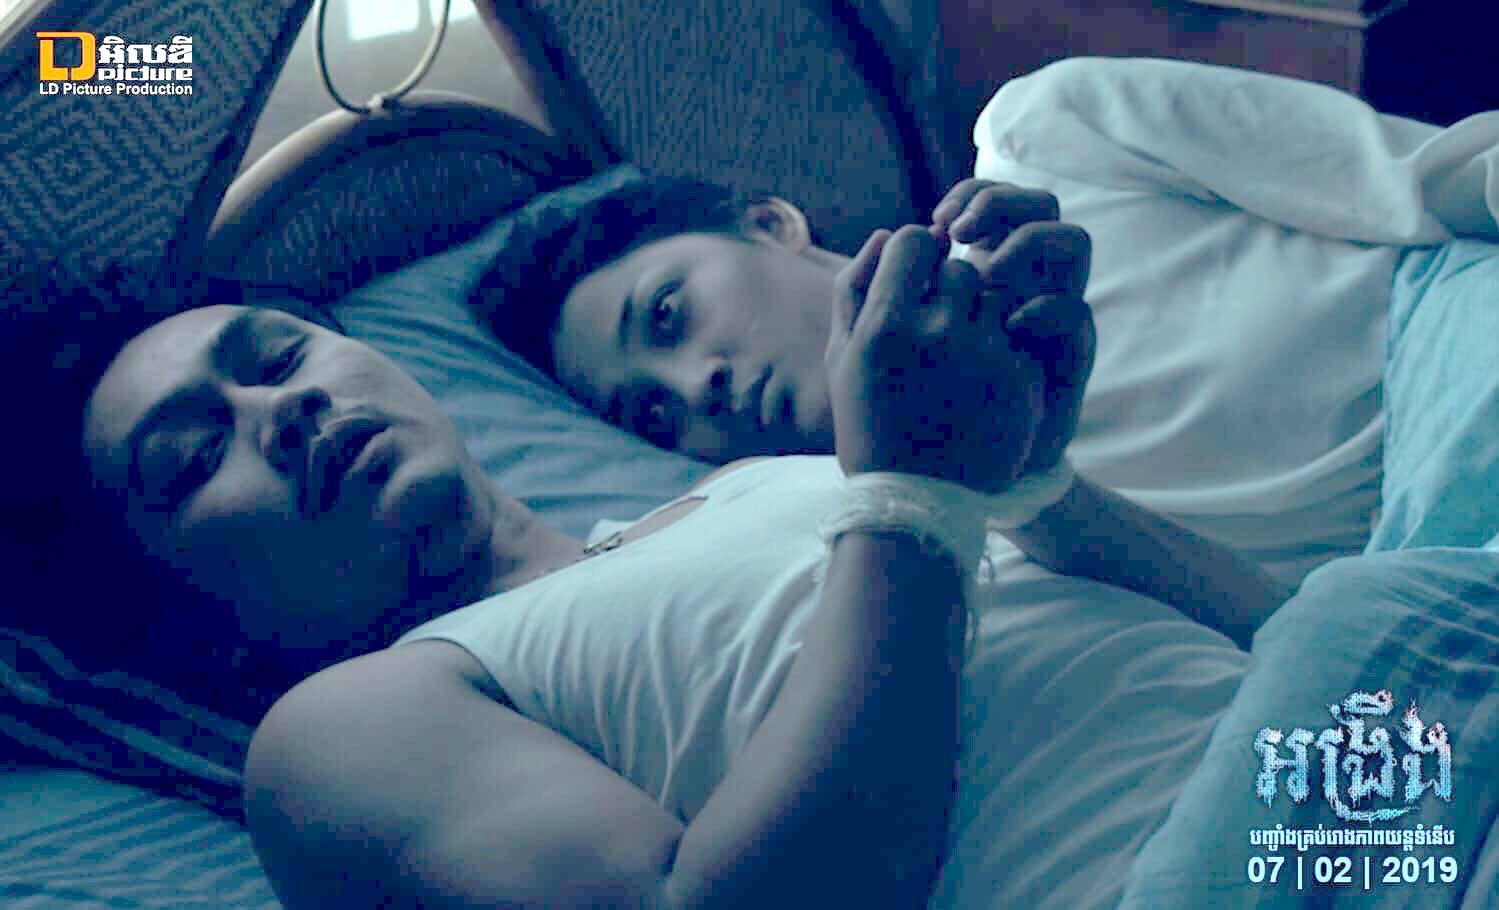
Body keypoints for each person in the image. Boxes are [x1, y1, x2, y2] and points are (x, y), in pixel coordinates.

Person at [61, 206, 1297, 908]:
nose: (280, 411)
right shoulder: (344, 726)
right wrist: (914, 499)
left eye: (278, 358)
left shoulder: (756, 485)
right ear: (200, 626)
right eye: (192, 456)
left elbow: (1274, 619)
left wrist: (1035, 477)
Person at [474, 57, 1499, 589]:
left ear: (769, 223)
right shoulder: (944, 549)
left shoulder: (1049, 134)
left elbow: (1441, 179)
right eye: (653, 416)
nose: (694, 385)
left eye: (668, 314)